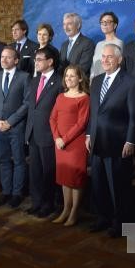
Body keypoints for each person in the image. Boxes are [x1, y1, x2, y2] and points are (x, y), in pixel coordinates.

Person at [86, 43, 135, 238]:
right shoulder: (96, 81)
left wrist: (131, 141)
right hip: (97, 141)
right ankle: (103, 217)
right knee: (98, 183)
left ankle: (120, 223)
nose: (106, 60)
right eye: (104, 56)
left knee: (118, 186)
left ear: (119, 59)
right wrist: (88, 134)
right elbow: (93, 111)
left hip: (118, 143)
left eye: (110, 57)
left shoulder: (130, 83)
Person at [0, 45, 30, 209]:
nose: (4, 60)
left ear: (16, 60)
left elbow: (27, 103)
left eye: (8, 57)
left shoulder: (25, 77)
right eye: (2, 57)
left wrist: (10, 122)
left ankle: (17, 194)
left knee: (18, 161)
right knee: (3, 161)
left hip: (16, 128)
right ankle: (6, 192)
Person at [25, 46, 63, 218]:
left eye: (39, 59)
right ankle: (36, 202)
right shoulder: (34, 81)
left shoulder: (59, 81)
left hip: (49, 134)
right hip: (33, 132)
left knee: (49, 172)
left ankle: (48, 204)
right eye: (35, 59)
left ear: (50, 61)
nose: (36, 62)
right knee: (35, 171)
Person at [49, 65, 90, 226]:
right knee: (65, 178)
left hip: (75, 143)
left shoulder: (84, 98)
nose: (69, 79)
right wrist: (56, 137)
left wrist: (64, 139)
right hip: (59, 144)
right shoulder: (60, 96)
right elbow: (52, 118)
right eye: (67, 76)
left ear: (80, 78)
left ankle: (74, 212)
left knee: (75, 178)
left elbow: (81, 123)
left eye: (72, 76)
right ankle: (66, 209)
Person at [58, 12, 95, 77]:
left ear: (78, 25)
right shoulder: (64, 45)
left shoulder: (87, 43)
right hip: (64, 83)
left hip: (79, 84)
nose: (65, 28)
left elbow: (83, 68)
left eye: (69, 24)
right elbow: (60, 66)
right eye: (64, 24)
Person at [90, 12, 123, 82]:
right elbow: (93, 66)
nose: (104, 24)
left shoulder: (119, 43)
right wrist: (91, 81)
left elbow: (118, 66)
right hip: (96, 82)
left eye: (107, 22)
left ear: (115, 25)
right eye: (102, 22)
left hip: (111, 82)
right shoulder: (98, 44)